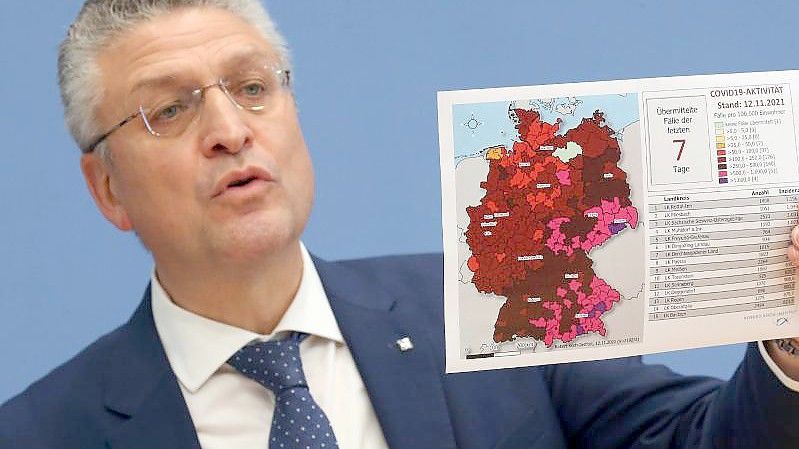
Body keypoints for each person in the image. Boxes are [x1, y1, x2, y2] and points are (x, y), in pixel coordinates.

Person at [1, 1, 799, 448]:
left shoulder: (492, 304)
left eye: (251, 87)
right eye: (169, 108)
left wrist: (790, 347)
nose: (229, 130)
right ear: (107, 187)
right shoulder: (42, 433)